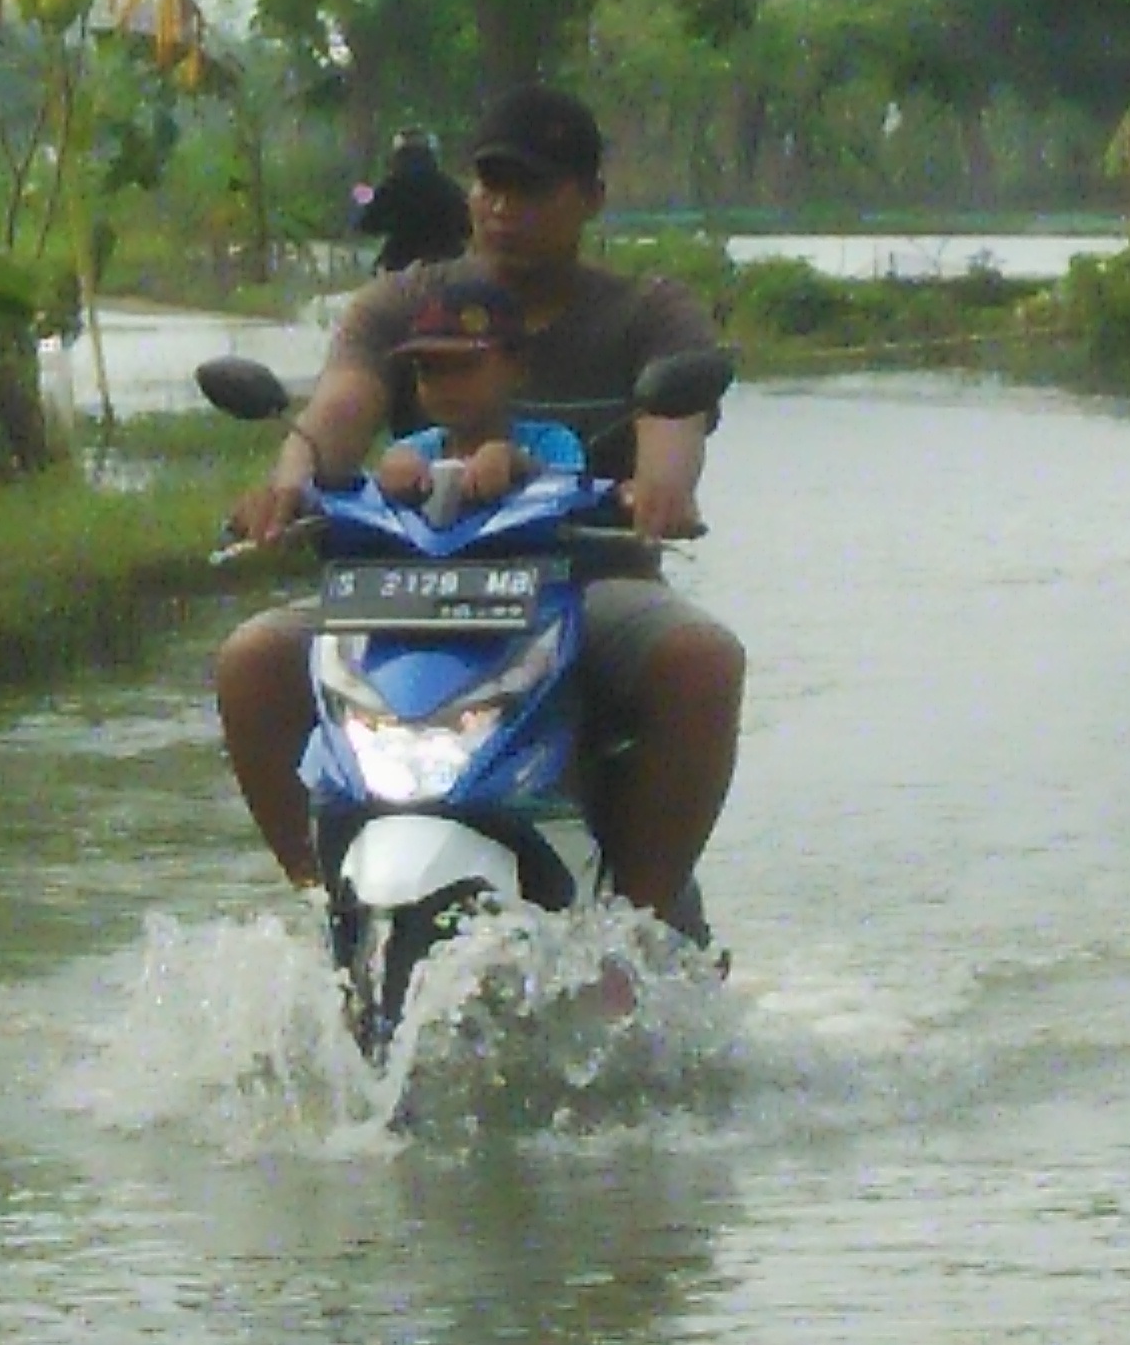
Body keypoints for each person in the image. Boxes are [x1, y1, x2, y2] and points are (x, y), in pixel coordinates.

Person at [216, 85, 746, 930]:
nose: (504, 207)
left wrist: (659, 490)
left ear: (591, 200)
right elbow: (334, 415)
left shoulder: (650, 312)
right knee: (250, 658)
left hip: (585, 586)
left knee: (701, 660)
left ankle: (635, 930)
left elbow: (670, 429)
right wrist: (291, 481)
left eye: (532, 188)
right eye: (490, 184)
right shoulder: (406, 304)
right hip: (402, 594)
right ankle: (322, 900)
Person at [370, 271, 580, 526]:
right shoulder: (416, 451)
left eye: (464, 367)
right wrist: (388, 478)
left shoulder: (551, 442)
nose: (445, 384)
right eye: (428, 369)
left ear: (518, 369)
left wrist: (517, 464)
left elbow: (573, 494)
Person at [358, 126, 470, 273]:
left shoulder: (390, 187)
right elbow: (467, 226)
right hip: (445, 263)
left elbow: (368, 224)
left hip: (401, 265)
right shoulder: (447, 187)